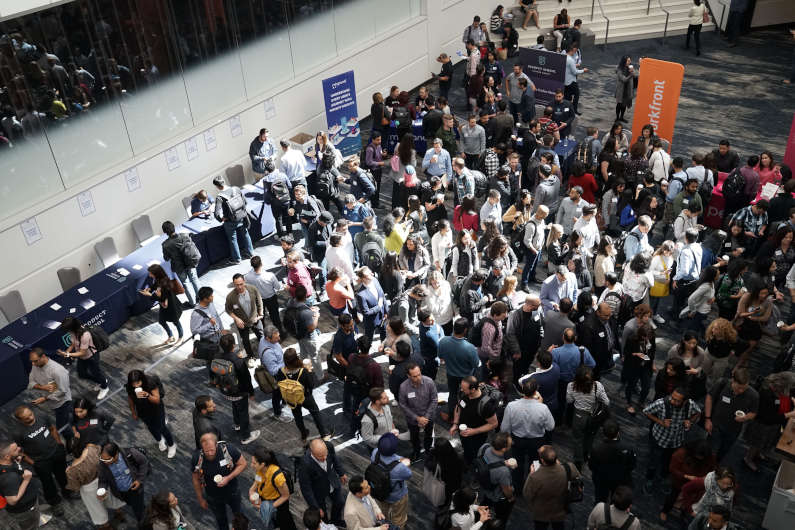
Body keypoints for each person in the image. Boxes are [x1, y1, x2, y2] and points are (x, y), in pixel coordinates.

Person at [11, 405, 70, 516]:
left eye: (30, 414)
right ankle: (55, 503)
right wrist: (33, 463)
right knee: (48, 483)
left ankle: (68, 491)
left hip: (56, 452)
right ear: (20, 420)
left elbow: (52, 429)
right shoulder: (18, 433)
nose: (31, 418)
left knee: (63, 474)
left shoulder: (42, 416)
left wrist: (59, 444)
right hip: (40, 461)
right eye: (26, 418)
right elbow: (19, 451)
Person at [642, 388, 702, 493]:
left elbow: (698, 412)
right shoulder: (661, 403)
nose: (672, 401)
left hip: (676, 441)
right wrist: (660, 422)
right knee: (654, 461)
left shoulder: (690, 404)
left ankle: (663, 477)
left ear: (684, 401)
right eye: (672, 397)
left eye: (677, 400)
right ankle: (649, 479)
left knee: (669, 461)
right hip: (660, 438)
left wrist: (690, 421)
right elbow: (646, 411)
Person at [500, 379, 554, 489]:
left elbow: (504, 428)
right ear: (536, 392)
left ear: (522, 390)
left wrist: (510, 438)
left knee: (517, 464)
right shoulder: (543, 408)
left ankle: (518, 487)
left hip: (517, 440)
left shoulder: (511, 406)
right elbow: (550, 426)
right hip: (537, 441)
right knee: (535, 464)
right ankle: (532, 486)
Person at [191, 432, 247, 530]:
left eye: (212, 450)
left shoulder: (228, 450)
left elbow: (243, 463)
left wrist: (228, 478)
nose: (210, 453)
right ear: (202, 448)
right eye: (206, 451)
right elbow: (196, 480)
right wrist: (200, 498)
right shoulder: (197, 458)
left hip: (232, 492)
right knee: (221, 520)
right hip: (213, 497)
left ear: (216, 444)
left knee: (239, 517)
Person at [276, 348, 331, 442]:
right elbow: (311, 385)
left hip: (291, 398)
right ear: (296, 359)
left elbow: (280, 383)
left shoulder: (281, 372)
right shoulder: (303, 371)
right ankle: (324, 434)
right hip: (305, 397)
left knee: (297, 416)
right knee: (315, 413)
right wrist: (309, 370)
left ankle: (304, 434)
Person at [214, 334, 261, 445]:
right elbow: (246, 379)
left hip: (226, 390)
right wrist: (251, 392)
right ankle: (245, 436)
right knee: (243, 413)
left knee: (235, 406)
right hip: (239, 392)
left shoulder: (217, 357)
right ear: (233, 345)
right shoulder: (238, 361)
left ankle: (237, 424)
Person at [705, 368, 759, 463]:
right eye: (738, 388)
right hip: (715, 425)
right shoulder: (722, 383)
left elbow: (753, 413)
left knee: (723, 452)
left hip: (733, 430)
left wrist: (745, 418)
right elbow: (709, 397)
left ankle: (715, 466)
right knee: (710, 449)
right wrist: (707, 419)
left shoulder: (754, 395)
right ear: (733, 380)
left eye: (744, 388)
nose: (741, 391)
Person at [124, 370, 177, 458]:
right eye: (134, 384)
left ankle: (171, 445)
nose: (136, 386)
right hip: (142, 410)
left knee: (162, 428)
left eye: (138, 383)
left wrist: (147, 395)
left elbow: (157, 400)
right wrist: (133, 412)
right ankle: (160, 440)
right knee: (150, 427)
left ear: (142, 379)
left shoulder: (150, 383)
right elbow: (130, 400)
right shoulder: (129, 386)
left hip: (156, 410)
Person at [523, 444, 578, 530]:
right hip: (560, 509)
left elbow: (527, 494)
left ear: (542, 460)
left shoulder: (535, 476)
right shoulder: (569, 468)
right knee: (559, 527)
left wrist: (531, 474)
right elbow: (578, 479)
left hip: (541, 513)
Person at [662, 439, 716, 521]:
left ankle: (684, 514)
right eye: (698, 455)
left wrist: (706, 477)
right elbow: (673, 469)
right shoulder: (681, 454)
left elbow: (712, 469)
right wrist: (686, 476)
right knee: (673, 496)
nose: (699, 458)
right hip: (680, 482)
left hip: (697, 484)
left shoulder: (710, 457)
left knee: (691, 501)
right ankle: (665, 511)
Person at [28, 348, 73, 446]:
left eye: (35, 361)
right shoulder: (35, 365)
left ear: (43, 356)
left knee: (62, 426)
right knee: (67, 415)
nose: (33, 364)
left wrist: (45, 398)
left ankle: (70, 439)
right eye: (32, 361)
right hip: (50, 401)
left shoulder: (58, 371)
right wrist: (42, 387)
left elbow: (63, 391)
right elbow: (31, 382)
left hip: (62, 402)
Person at [57, 317, 110, 400]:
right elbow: (73, 343)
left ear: (73, 327)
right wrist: (67, 351)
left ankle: (105, 387)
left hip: (91, 357)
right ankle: (101, 381)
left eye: (68, 330)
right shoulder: (73, 332)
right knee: (82, 374)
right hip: (82, 357)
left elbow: (82, 352)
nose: (67, 332)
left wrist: (68, 354)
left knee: (96, 373)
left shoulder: (85, 335)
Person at [566, 366, 609, 469]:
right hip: (593, 416)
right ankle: (586, 454)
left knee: (577, 439)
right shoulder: (598, 386)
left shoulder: (571, 386)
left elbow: (569, 401)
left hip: (578, 416)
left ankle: (578, 461)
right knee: (590, 436)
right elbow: (607, 402)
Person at [298, 439, 348, 527]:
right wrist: (316, 507)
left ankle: (336, 520)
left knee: (340, 502)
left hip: (332, 482)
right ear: (312, 453)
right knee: (322, 513)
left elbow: (334, 459)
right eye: (320, 456)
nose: (325, 458)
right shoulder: (305, 464)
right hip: (318, 490)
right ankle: (326, 525)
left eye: (325, 454)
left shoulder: (329, 446)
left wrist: (341, 473)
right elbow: (306, 489)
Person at [451, 376, 500, 463]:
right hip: (463, 431)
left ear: (473, 389)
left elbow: (494, 424)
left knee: (474, 454)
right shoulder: (463, 393)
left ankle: (473, 465)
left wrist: (474, 431)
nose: (461, 390)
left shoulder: (486, 405)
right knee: (466, 449)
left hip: (477, 437)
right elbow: (458, 406)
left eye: (464, 389)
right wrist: (455, 423)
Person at [97, 441, 148, 523]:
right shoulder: (103, 464)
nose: (105, 461)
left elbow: (144, 462)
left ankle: (143, 523)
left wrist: (139, 480)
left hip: (135, 489)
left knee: (139, 511)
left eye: (108, 459)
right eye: (102, 458)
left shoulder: (130, 454)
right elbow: (103, 480)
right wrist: (102, 489)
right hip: (121, 493)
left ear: (116, 455)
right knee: (133, 504)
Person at [588, 421, 636, 504]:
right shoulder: (628, 448)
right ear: (618, 433)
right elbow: (632, 465)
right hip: (620, 479)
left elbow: (592, 466)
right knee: (617, 499)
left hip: (602, 479)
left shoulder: (596, 449)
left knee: (600, 499)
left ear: (603, 433)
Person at [0, 439, 44, 530]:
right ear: (7, 457)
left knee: (34, 521)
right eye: (15, 449)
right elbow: (12, 501)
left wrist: (16, 463)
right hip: (25, 511)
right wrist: (26, 480)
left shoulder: (8, 461)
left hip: (29, 502)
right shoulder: (8, 478)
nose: (19, 448)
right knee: (30, 527)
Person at [248, 448, 297, 530]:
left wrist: (269, 507)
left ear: (262, 464)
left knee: (285, 523)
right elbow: (256, 483)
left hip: (278, 504)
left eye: (254, 463)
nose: (251, 465)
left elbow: (285, 496)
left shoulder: (277, 477)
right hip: (265, 500)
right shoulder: (260, 470)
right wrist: (251, 492)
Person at [213, 176, 254, 264]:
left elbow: (216, 214)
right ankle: (251, 253)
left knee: (233, 240)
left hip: (230, 221)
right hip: (242, 217)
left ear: (217, 186)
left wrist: (221, 219)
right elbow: (245, 202)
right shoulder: (236, 189)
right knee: (246, 234)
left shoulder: (220, 197)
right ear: (224, 181)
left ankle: (237, 259)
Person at [225, 273, 264, 366]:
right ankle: (251, 356)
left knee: (261, 336)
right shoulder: (230, 297)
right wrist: (236, 319)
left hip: (255, 319)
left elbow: (259, 300)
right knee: (245, 341)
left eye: (241, 284)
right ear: (233, 284)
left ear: (244, 281)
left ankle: (265, 351)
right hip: (242, 324)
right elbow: (228, 309)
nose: (239, 287)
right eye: (236, 285)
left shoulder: (252, 289)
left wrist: (261, 313)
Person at [161, 220, 202, 307]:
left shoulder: (165, 245)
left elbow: (166, 258)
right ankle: (201, 298)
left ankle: (192, 303)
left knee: (186, 283)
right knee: (195, 279)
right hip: (190, 262)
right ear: (173, 227)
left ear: (165, 232)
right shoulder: (184, 235)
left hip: (179, 267)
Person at [140, 263, 183, 344]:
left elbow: (162, 298)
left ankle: (181, 337)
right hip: (164, 306)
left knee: (176, 322)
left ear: (156, 273)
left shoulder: (164, 284)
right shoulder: (160, 279)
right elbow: (156, 285)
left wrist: (149, 295)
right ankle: (171, 336)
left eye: (151, 273)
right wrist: (150, 289)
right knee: (161, 321)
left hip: (171, 306)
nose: (149, 275)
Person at [564, 44, 587, 115]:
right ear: (571, 51)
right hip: (571, 81)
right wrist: (583, 70)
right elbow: (575, 72)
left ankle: (566, 111)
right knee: (576, 95)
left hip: (565, 81)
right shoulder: (570, 60)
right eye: (574, 51)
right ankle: (574, 110)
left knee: (567, 98)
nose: (574, 53)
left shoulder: (563, 57)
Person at [615, 56, 638, 123]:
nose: (629, 62)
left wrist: (633, 72)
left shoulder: (629, 68)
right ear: (624, 61)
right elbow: (624, 79)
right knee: (619, 104)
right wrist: (631, 74)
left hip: (628, 89)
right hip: (621, 90)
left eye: (630, 60)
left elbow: (635, 76)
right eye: (628, 61)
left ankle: (622, 117)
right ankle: (617, 117)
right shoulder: (619, 69)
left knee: (624, 104)